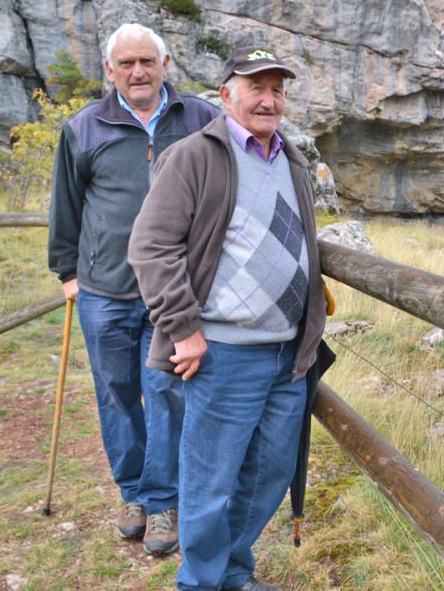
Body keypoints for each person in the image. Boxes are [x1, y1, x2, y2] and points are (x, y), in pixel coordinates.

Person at [127, 47, 326, 591]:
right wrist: (184, 327)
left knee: (268, 476)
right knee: (211, 482)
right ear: (227, 94)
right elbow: (150, 246)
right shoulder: (196, 156)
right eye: (255, 87)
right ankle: (201, 581)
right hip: (225, 351)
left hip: (289, 353)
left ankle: (231, 574)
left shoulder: (293, 161)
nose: (268, 99)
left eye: (277, 89)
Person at [47, 23, 219, 555]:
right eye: (126, 64)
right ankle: (134, 495)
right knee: (117, 395)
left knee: (167, 393)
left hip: (172, 291)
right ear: (110, 70)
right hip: (105, 289)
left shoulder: (201, 119)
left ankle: (165, 502)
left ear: (166, 62)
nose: (138, 72)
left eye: (147, 61)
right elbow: (66, 206)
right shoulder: (84, 128)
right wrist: (68, 273)